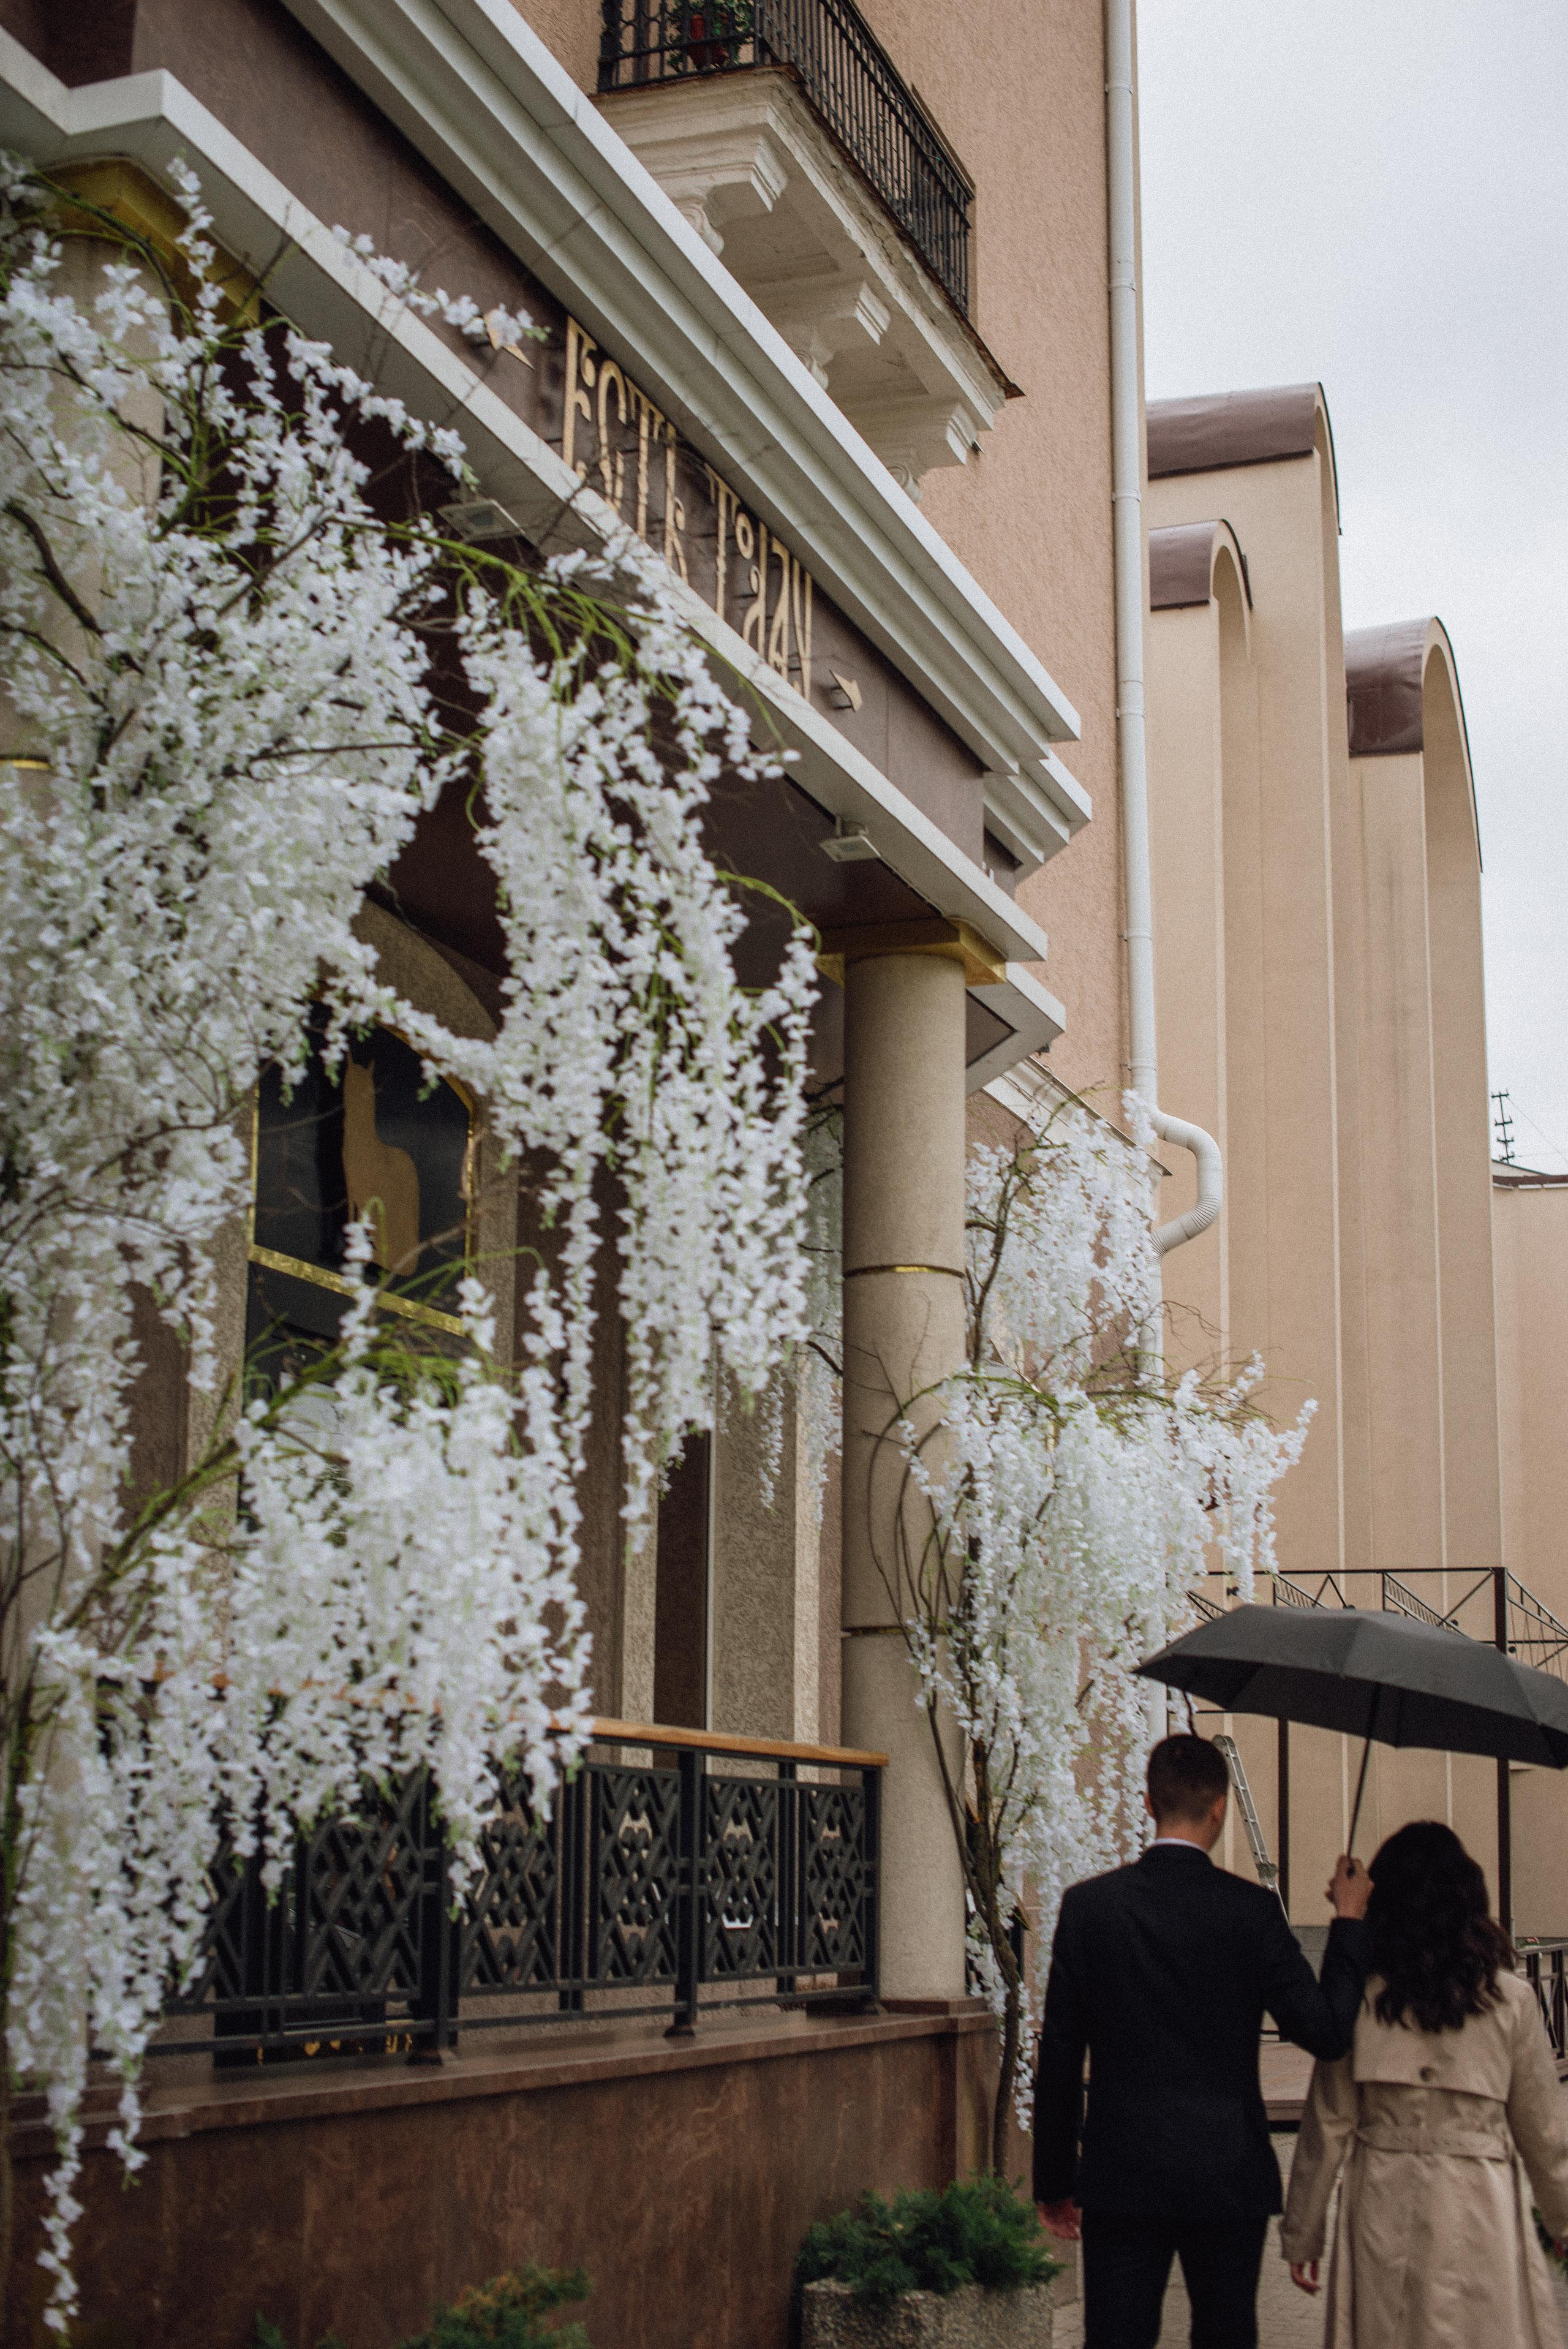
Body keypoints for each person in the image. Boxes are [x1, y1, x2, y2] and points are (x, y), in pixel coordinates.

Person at [1033, 1731, 1373, 2348]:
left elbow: (1058, 2053)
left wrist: (1054, 2181)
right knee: (1223, 2333)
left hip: (1121, 2168)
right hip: (1225, 2169)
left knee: (1115, 2337)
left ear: (1146, 1802)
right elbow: (1324, 2030)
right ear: (1219, 1806)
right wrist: (1347, 1921)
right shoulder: (1250, 1910)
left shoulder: (1089, 1908)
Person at [1281, 1818, 1568, 2347]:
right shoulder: (1511, 2000)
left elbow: (1328, 2122)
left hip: (1382, 2200)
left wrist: (1304, 2232)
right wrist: (1563, 2222)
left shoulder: (1362, 2000)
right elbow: (1545, 2133)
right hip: (1480, 2201)